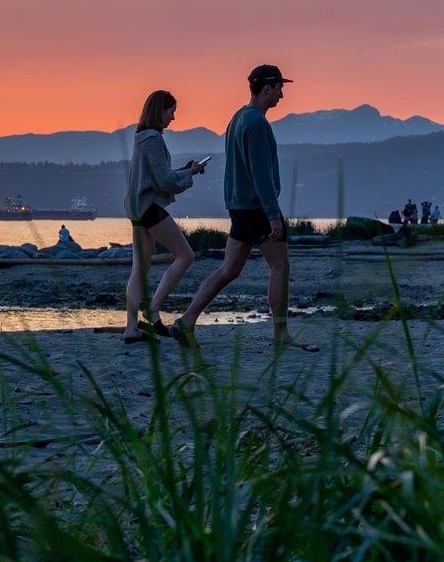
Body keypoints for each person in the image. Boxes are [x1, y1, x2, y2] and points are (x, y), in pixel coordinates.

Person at [171, 65, 317, 352]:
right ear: (267, 89)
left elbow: (236, 167)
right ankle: (281, 334)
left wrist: (233, 202)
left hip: (239, 206)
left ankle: (186, 321)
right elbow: (260, 173)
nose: (282, 95)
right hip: (257, 207)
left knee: (229, 269)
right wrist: (273, 214)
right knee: (280, 266)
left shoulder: (238, 118)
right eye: (280, 89)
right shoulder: (256, 123)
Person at [122, 89, 204, 344]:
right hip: (150, 208)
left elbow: (157, 177)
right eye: (171, 112)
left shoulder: (140, 137)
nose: (173, 117)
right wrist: (190, 173)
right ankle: (153, 308)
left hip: (137, 208)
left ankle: (131, 328)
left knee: (140, 268)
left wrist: (184, 171)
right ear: (160, 110)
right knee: (185, 255)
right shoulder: (153, 139)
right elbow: (166, 183)